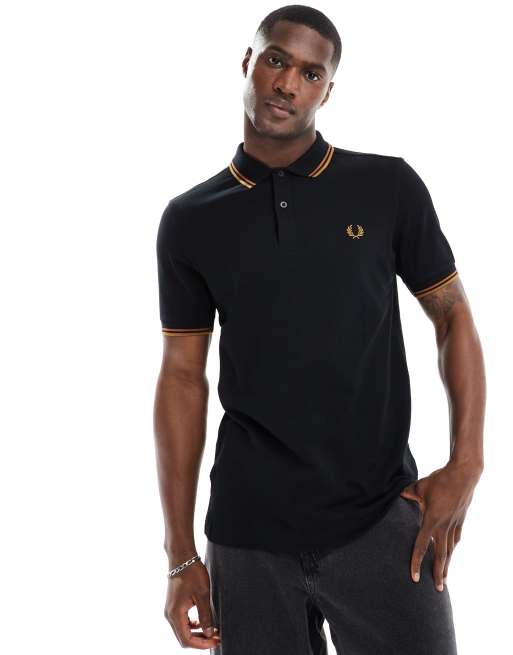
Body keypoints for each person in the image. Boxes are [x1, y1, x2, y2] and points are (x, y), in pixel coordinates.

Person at [153, 5, 485, 654]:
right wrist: (180, 553)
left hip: (381, 520)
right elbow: (182, 377)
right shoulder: (191, 219)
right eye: (276, 61)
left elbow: (451, 314)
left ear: (326, 91)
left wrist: (466, 462)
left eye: (311, 73)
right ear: (248, 63)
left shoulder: (386, 186)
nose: (287, 84)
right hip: (247, 536)